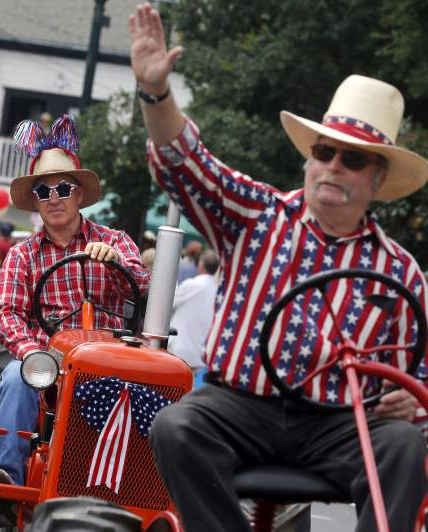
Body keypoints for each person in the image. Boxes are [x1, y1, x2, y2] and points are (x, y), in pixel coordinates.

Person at [129, 4, 428, 531]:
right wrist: (157, 93)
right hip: (239, 405)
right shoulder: (257, 213)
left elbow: (418, 378)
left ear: (377, 180)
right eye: (324, 151)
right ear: (310, 159)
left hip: (339, 424)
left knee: (403, 446)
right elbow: (184, 160)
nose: (333, 167)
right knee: (176, 427)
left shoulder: (400, 271)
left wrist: (411, 399)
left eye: (352, 160)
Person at [0, 114, 150, 524]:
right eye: (43, 191)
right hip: (49, 363)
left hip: (111, 361)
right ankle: (8, 475)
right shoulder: (22, 255)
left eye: (62, 188)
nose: (53, 197)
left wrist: (118, 265)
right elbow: (6, 313)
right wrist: (36, 356)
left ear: (78, 194)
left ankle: (145, 487)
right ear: (35, 201)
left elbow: (143, 284)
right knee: (15, 377)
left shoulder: (113, 241)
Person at [168, 249, 220, 384]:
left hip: (180, 350)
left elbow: (170, 303)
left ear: (201, 265)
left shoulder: (192, 284)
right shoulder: (219, 290)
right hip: (199, 354)